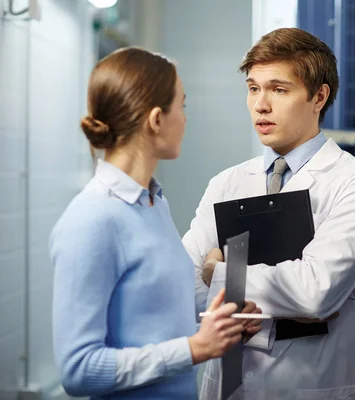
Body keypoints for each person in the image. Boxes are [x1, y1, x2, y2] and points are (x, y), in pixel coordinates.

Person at [182, 28, 355, 399]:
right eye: (253, 88)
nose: (261, 104)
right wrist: (276, 308)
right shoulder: (226, 183)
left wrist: (218, 272)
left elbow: (315, 293)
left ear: (319, 96)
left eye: (279, 89)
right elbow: (182, 282)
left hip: (312, 386)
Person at [50, 47, 262, 399]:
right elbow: (78, 370)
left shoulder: (153, 203)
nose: (186, 118)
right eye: (182, 104)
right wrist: (195, 349)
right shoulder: (91, 220)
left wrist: (220, 326)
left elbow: (150, 325)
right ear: (156, 120)